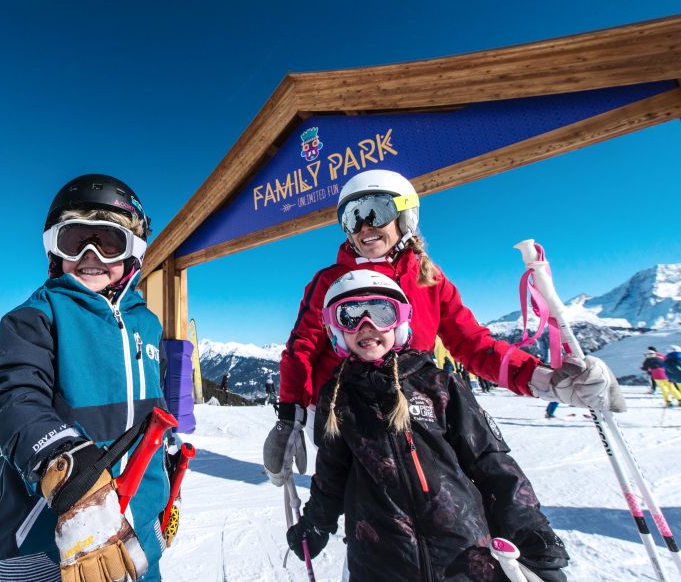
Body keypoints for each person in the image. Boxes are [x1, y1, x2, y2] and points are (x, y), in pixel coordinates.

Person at [264, 169, 624, 487]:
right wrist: (290, 417)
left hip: (417, 411)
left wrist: (542, 379)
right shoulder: (330, 281)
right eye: (352, 217)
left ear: (406, 217)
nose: (364, 226)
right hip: (348, 416)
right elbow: (302, 350)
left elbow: (472, 344)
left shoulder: (429, 279)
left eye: (377, 211)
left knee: (441, 507)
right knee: (375, 518)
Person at [285, 271, 569, 581]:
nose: (367, 325)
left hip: (464, 559)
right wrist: (316, 523)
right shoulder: (337, 397)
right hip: (379, 563)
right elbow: (331, 474)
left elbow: (492, 462)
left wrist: (532, 537)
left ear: (401, 320)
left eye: (382, 312)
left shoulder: (438, 384)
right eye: (350, 315)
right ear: (336, 329)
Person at [0, 174, 169, 582]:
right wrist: (63, 458)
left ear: (133, 252)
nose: (90, 254)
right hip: (51, 544)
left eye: (108, 242)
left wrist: (165, 479)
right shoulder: (35, 318)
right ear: (54, 250)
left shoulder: (147, 324)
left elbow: (156, 408)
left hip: (137, 534)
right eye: (75, 240)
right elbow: (12, 397)